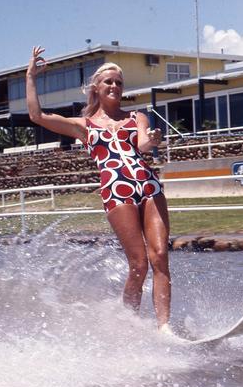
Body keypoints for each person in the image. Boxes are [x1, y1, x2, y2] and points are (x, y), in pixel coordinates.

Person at [25, 46, 172, 332]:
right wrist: (31, 76)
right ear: (96, 88)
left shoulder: (136, 117)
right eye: (109, 82)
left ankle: (164, 329)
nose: (115, 86)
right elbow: (37, 115)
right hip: (118, 192)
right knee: (139, 265)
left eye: (119, 82)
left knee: (160, 257)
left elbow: (141, 144)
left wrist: (151, 141)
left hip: (149, 186)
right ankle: (129, 327)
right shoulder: (85, 126)